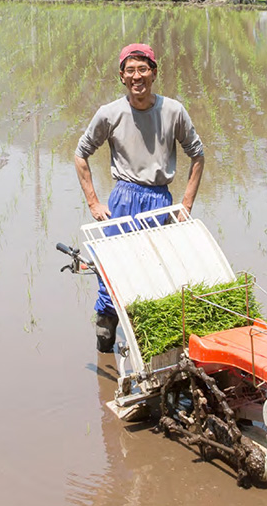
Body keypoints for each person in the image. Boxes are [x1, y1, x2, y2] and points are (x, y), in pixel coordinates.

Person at [73, 43, 205, 353]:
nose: (137, 76)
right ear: (122, 76)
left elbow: (197, 154)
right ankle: (105, 346)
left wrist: (185, 205)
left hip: (160, 199)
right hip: (123, 198)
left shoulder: (173, 111)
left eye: (143, 69)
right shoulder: (110, 113)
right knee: (111, 277)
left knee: (157, 277)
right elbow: (81, 154)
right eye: (130, 70)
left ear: (154, 73)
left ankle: (151, 351)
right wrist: (93, 202)